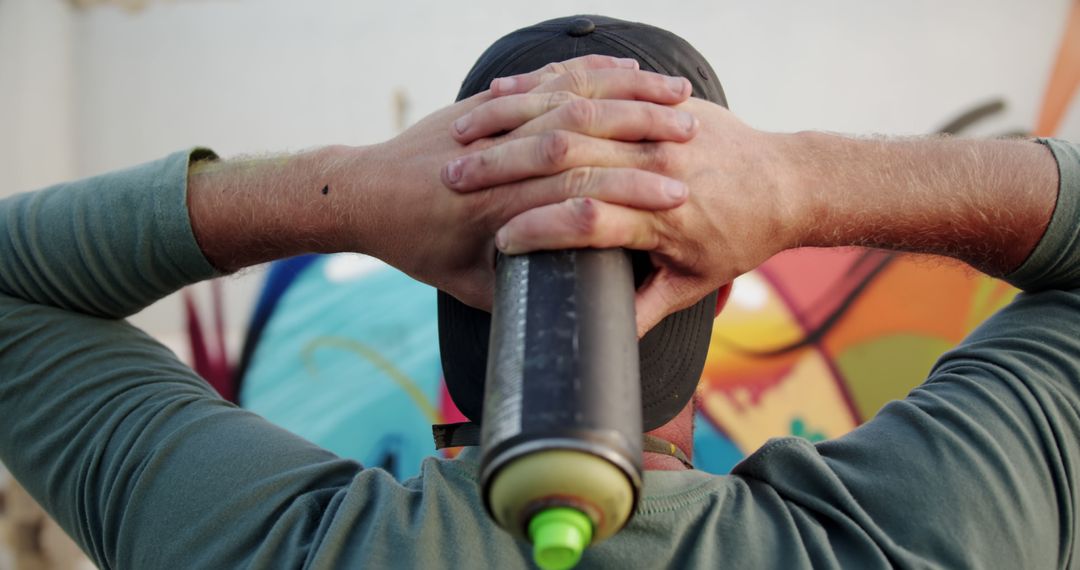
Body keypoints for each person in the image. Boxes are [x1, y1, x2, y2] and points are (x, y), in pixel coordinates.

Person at [0, 14, 1075, 570]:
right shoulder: (908, 543)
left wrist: (347, 192)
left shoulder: (283, 552)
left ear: (452, 280)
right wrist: (799, 182)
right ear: (707, 279)